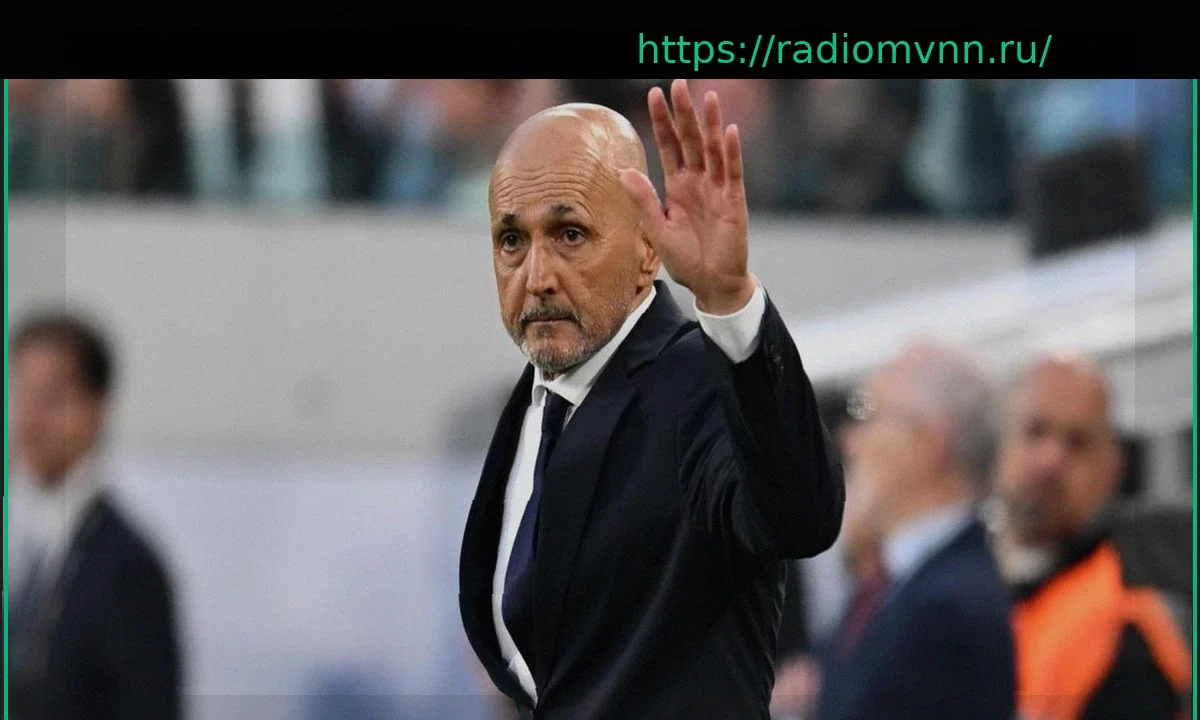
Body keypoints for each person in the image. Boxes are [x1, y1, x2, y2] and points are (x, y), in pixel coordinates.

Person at [458, 79, 845, 719]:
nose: (537, 275)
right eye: (511, 241)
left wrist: (729, 299)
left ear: (647, 247)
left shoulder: (698, 382)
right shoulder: (532, 403)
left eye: (570, 234)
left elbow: (800, 515)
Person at [815, 340, 1015, 720]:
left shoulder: (947, 609)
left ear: (930, 442)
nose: (850, 441)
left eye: (867, 413)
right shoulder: (905, 589)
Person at [992, 353, 1192, 720]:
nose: (1051, 459)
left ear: (1112, 468)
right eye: (1036, 431)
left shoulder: (1121, 629)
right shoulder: (986, 593)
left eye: (1077, 442)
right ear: (999, 444)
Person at [7, 311, 182, 720]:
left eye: (51, 398)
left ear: (96, 406)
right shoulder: (21, 543)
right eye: (23, 394)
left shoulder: (126, 567)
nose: (31, 419)